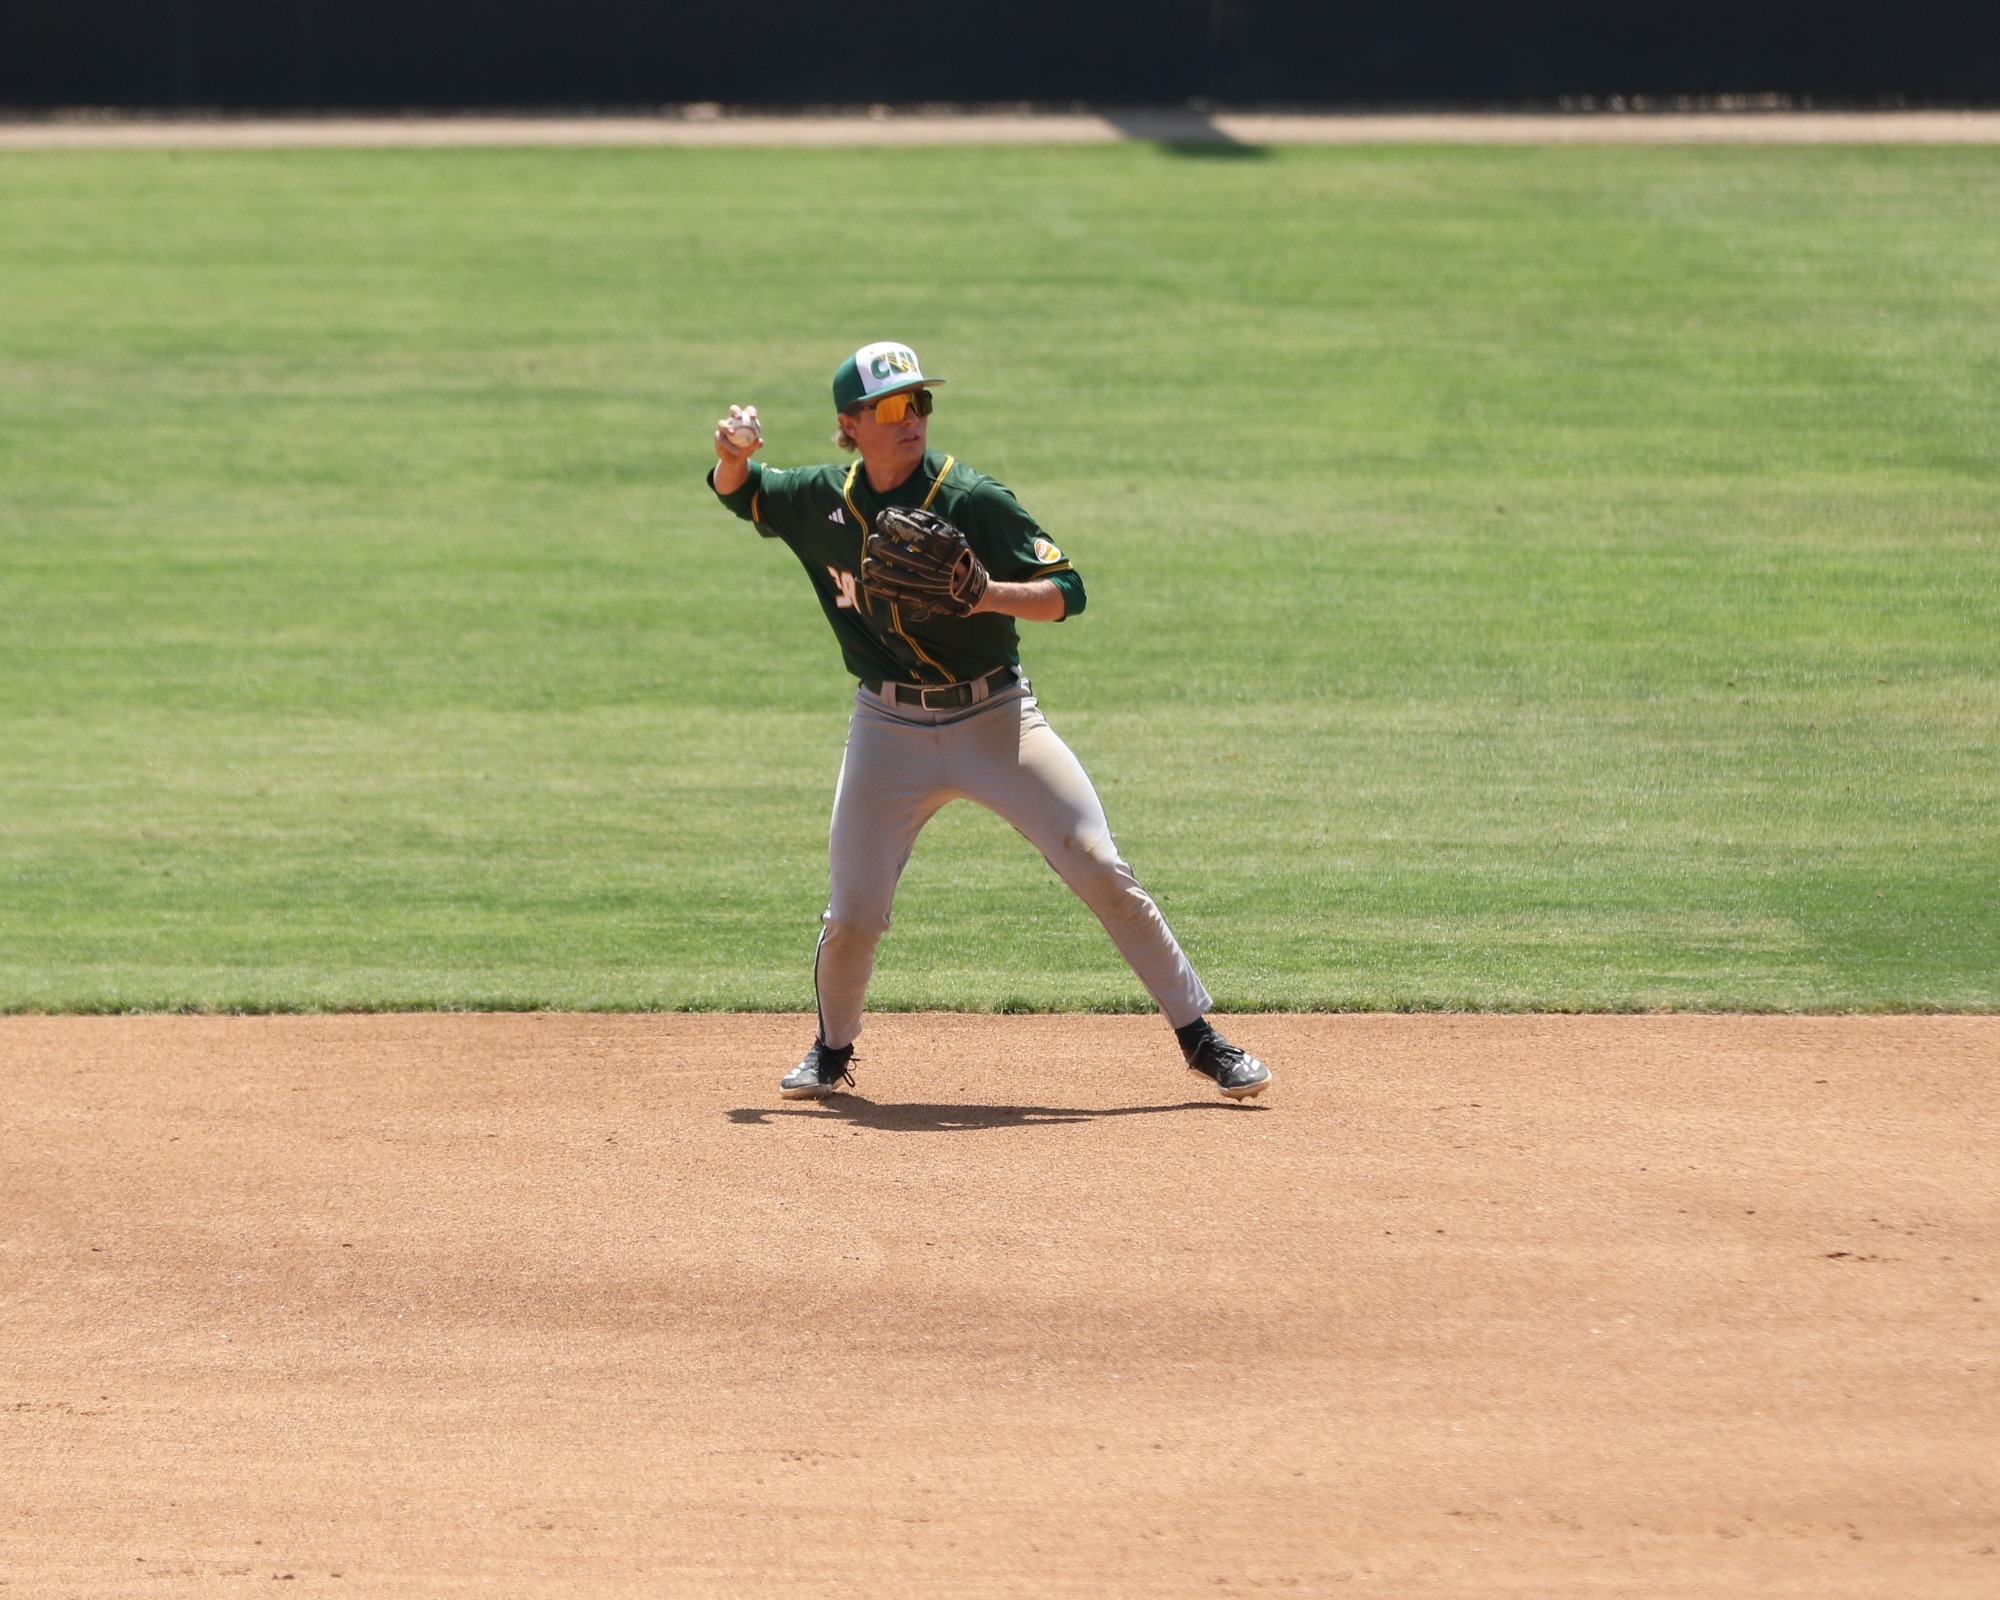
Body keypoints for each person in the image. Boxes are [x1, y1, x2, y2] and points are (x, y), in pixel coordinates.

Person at [708, 340, 1270, 1103]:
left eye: (922, 403)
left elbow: (1067, 591)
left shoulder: (972, 498)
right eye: (895, 408)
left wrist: (987, 595)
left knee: (1098, 865)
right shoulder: (820, 499)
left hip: (998, 719)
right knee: (855, 914)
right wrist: (732, 453)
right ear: (850, 424)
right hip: (887, 729)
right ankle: (832, 1051)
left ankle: (1203, 1040)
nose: (914, 420)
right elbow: (741, 494)